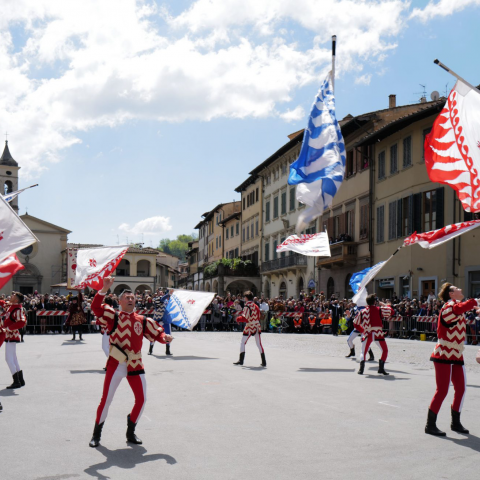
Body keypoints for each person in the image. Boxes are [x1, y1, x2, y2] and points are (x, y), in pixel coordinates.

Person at [88, 277, 173, 448]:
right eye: (126, 297)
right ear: (119, 301)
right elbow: (96, 308)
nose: (130, 299)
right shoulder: (113, 315)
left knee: (141, 399)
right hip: (116, 364)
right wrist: (104, 289)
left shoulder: (142, 320)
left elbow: (157, 333)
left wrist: (165, 337)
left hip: (136, 365)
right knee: (106, 400)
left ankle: (131, 431)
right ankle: (96, 434)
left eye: (132, 297)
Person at [425, 283, 480, 436]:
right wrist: (474, 302)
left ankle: (455, 422)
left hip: (456, 353)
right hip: (443, 353)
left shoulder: (456, 307)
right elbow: (458, 310)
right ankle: (430, 424)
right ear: (451, 294)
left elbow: (461, 312)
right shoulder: (448, 307)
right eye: (457, 288)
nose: (461, 289)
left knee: (461, 388)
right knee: (442, 390)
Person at [354, 295, 394, 375]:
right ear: (375, 302)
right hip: (378, 333)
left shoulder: (362, 311)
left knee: (363, 352)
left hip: (367, 333)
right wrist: (386, 305)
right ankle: (381, 368)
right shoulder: (379, 309)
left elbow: (355, 323)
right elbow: (391, 311)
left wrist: (363, 330)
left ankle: (361, 369)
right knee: (384, 350)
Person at [0, 292, 27, 389]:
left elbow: (21, 322)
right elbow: (3, 303)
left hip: (11, 335)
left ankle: (16, 381)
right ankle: (20, 379)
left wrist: (8, 329)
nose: (11, 296)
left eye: (13, 296)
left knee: (8, 359)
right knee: (14, 358)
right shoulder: (12, 305)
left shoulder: (18, 308)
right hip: (9, 334)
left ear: (16, 300)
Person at [233, 290, 266, 367]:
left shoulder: (247, 306)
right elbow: (258, 316)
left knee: (243, 342)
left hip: (249, 326)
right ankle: (264, 361)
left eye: (244, 297)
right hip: (257, 325)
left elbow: (245, 318)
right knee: (259, 344)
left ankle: (241, 360)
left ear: (246, 298)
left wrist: (238, 319)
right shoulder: (256, 305)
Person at [148, 289, 173, 356]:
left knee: (168, 334)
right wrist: (168, 294)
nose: (161, 293)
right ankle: (150, 350)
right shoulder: (157, 299)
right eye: (160, 292)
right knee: (154, 334)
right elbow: (162, 299)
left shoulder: (167, 301)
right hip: (158, 320)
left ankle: (167, 350)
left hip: (165, 320)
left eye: (162, 292)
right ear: (158, 294)